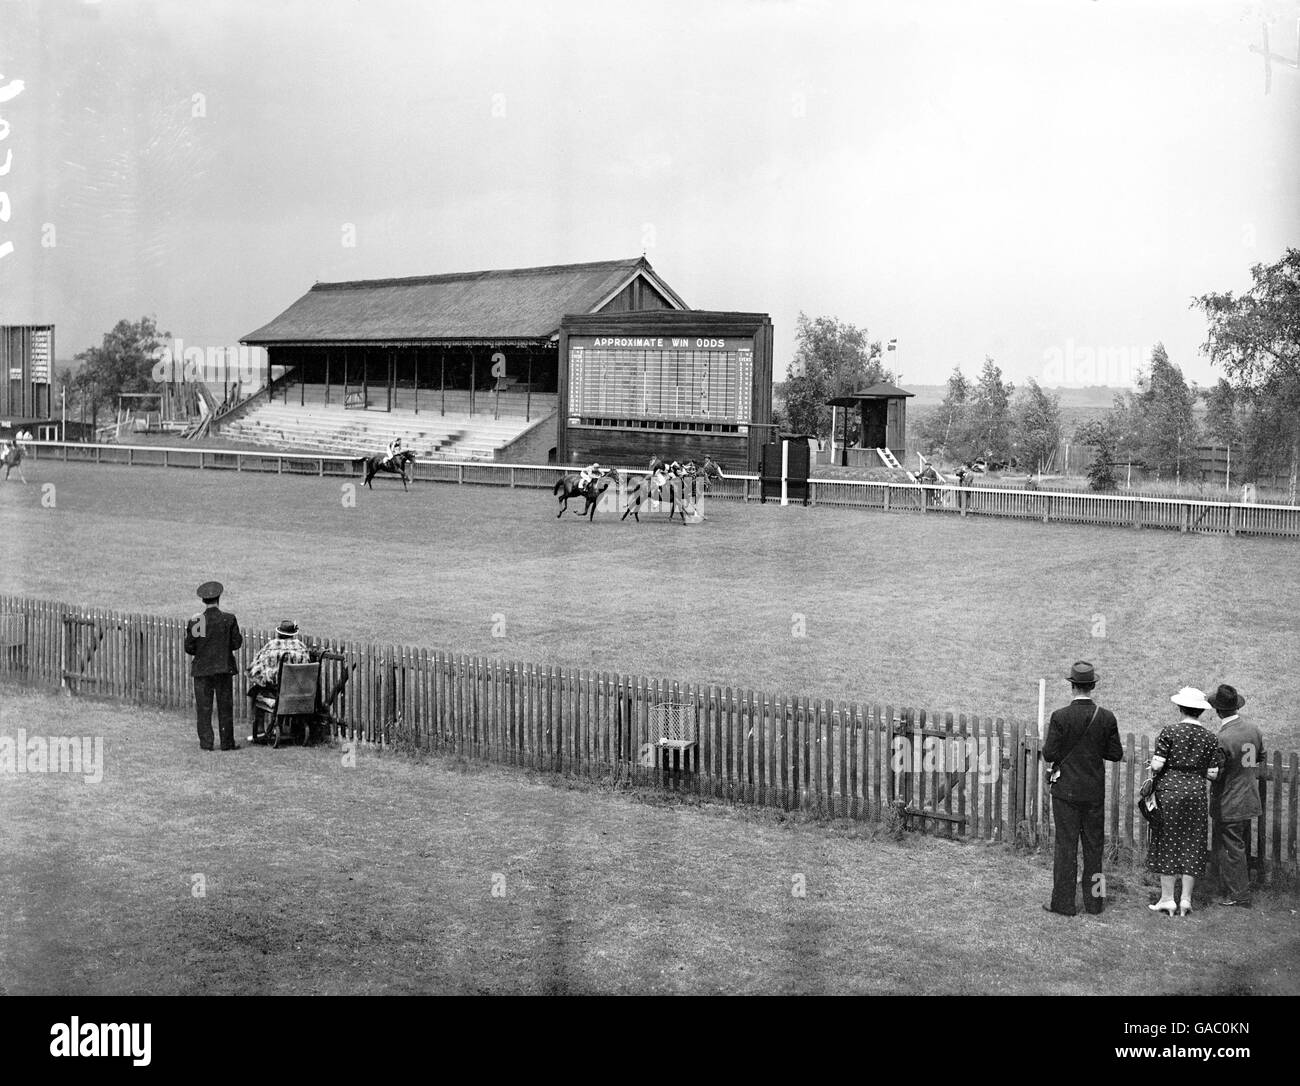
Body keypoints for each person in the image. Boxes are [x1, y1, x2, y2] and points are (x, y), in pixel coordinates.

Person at [1042, 661, 1123, 916]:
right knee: (1094, 848)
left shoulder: (1060, 716)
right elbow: (1115, 753)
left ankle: (1064, 903)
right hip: (1093, 792)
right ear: (1092, 685)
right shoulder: (1106, 717)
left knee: (1065, 848)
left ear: (1072, 685)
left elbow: (1049, 753)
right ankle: (1095, 903)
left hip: (1065, 791)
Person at [1146, 688, 1226, 916]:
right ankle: (1186, 900)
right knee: (1193, 842)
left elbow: (1158, 765)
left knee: (1167, 840)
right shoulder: (1211, 738)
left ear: (1180, 708)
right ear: (1201, 711)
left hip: (1170, 793)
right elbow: (1212, 774)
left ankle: (1167, 898)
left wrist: (1154, 765)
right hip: (1196, 795)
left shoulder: (1170, 732)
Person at [1207, 684, 1264, 908]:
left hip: (1230, 801)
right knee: (1240, 845)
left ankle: (1239, 895)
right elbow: (1259, 757)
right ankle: (1238, 888)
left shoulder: (1223, 738)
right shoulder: (1253, 729)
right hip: (1249, 797)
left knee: (1232, 849)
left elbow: (1217, 773)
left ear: (1218, 711)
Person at [183, 580, 243, 752]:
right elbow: (236, 644)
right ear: (219, 598)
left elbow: (189, 647)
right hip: (223, 668)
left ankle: (207, 743)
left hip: (203, 670)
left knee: (204, 708)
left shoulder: (198, 621)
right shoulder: (228, 619)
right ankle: (227, 743)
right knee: (225, 707)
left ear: (203, 601)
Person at [246, 619, 311, 703]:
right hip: (297, 690)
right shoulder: (301, 646)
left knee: (253, 692)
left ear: (279, 633)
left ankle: (270, 703)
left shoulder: (271, 645)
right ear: (293, 634)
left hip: (275, 690)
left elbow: (255, 669)